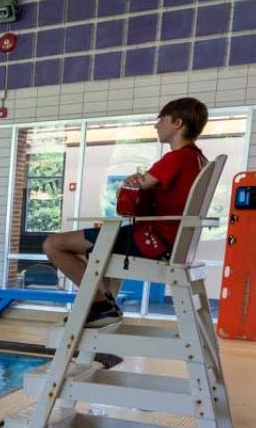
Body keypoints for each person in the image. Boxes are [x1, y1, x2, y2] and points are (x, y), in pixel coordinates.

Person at [41, 97, 209, 328]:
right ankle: (104, 303)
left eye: (162, 119)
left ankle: (101, 305)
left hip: (153, 242)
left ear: (178, 123)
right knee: (90, 251)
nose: (156, 125)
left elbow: (133, 192)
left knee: (54, 245)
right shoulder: (199, 159)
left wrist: (132, 181)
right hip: (171, 242)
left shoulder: (177, 158)